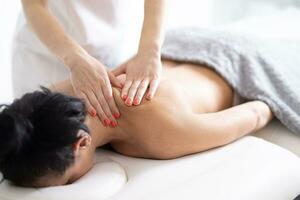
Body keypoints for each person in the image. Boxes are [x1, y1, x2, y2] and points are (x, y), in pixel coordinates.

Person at [0, 59, 273, 187]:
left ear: (81, 142)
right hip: (178, 49)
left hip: (233, 62)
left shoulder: (164, 134)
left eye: (68, 180)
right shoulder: (63, 94)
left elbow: (258, 111)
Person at [12, 0, 166, 128]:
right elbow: (34, 4)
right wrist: (75, 59)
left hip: (107, 50)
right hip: (44, 56)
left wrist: (150, 50)